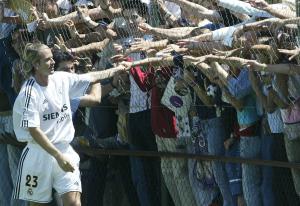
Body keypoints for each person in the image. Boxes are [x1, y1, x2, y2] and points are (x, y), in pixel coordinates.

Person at [12, 42, 126, 205]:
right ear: (36, 65)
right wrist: (57, 156)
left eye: (52, 58)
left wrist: (118, 69)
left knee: (73, 203)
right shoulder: (29, 93)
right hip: (39, 154)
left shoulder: (61, 78)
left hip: (65, 150)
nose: (52, 62)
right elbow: (34, 131)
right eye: (47, 60)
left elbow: (92, 77)